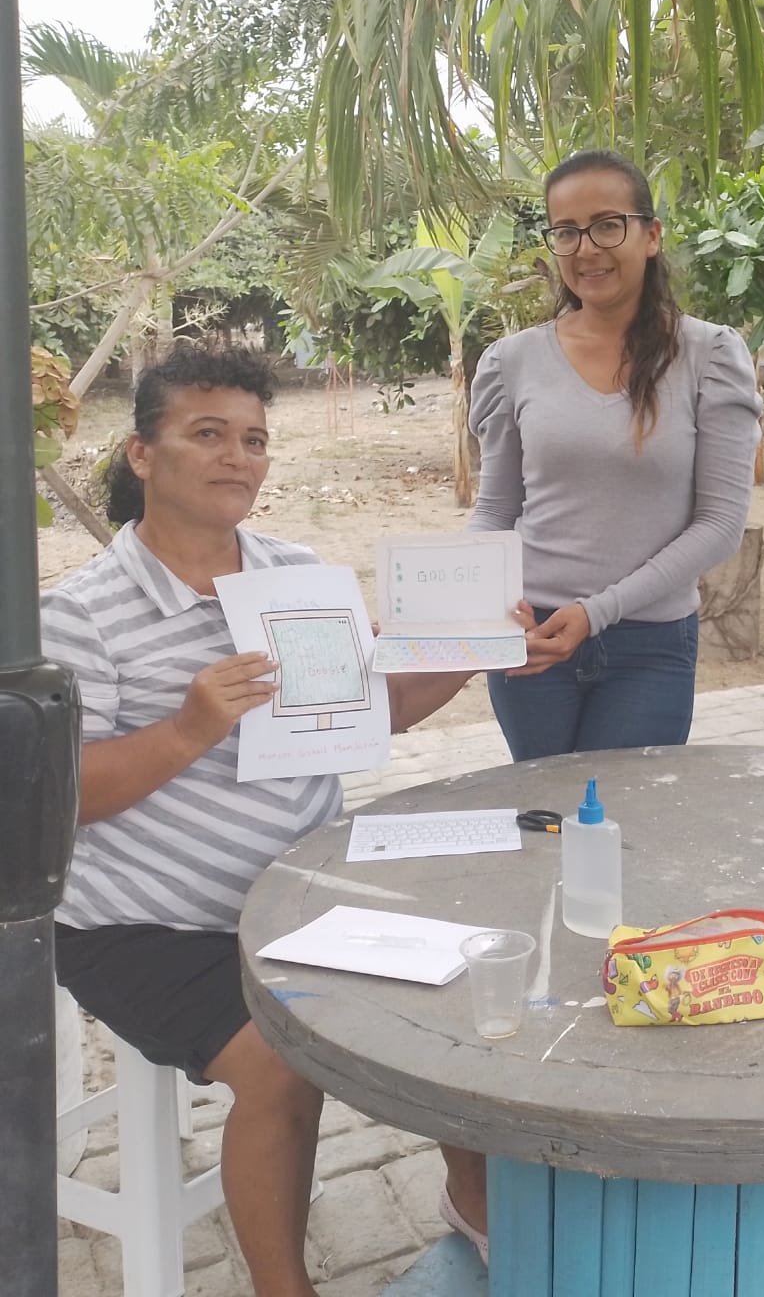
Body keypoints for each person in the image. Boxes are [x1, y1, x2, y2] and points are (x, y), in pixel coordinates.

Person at [44, 346, 489, 1297]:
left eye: (253, 439)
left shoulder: (296, 576)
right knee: (285, 1067)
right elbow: (62, 796)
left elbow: (374, 712)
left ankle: (478, 1210)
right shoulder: (82, 614)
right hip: (145, 924)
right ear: (142, 454)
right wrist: (188, 728)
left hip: (301, 893)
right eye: (207, 434)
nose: (237, 457)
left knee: (454, 1006)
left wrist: (476, 649)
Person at [468, 148, 761, 760]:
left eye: (607, 225)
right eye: (566, 232)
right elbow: (495, 510)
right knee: (545, 808)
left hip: (650, 646)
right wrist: (470, 607)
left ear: (651, 235)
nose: (586, 249)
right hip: (534, 641)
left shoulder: (710, 356)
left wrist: (596, 613)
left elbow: (719, 524)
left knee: (623, 810)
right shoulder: (511, 362)